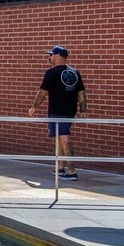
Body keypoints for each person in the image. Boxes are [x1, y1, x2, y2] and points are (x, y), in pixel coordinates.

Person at [27, 46, 87, 180]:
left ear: (58, 56)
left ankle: (72, 171)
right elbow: (81, 93)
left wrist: (34, 107)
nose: (49, 57)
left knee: (65, 140)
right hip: (69, 112)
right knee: (60, 139)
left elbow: (42, 92)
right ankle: (59, 168)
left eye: (51, 55)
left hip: (57, 112)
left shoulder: (52, 73)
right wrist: (82, 110)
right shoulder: (74, 72)